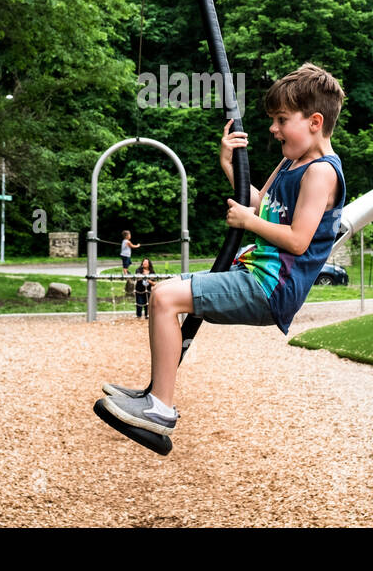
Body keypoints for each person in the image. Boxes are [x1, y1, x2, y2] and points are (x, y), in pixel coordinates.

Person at [100, 63, 346, 437]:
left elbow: (298, 240)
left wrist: (248, 223)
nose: (273, 128)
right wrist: (228, 165)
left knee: (166, 298)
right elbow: (260, 205)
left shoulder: (321, 172)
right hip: (251, 274)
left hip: (270, 288)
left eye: (281, 119)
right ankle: (155, 393)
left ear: (314, 121)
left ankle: (161, 409)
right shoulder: (290, 162)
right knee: (161, 295)